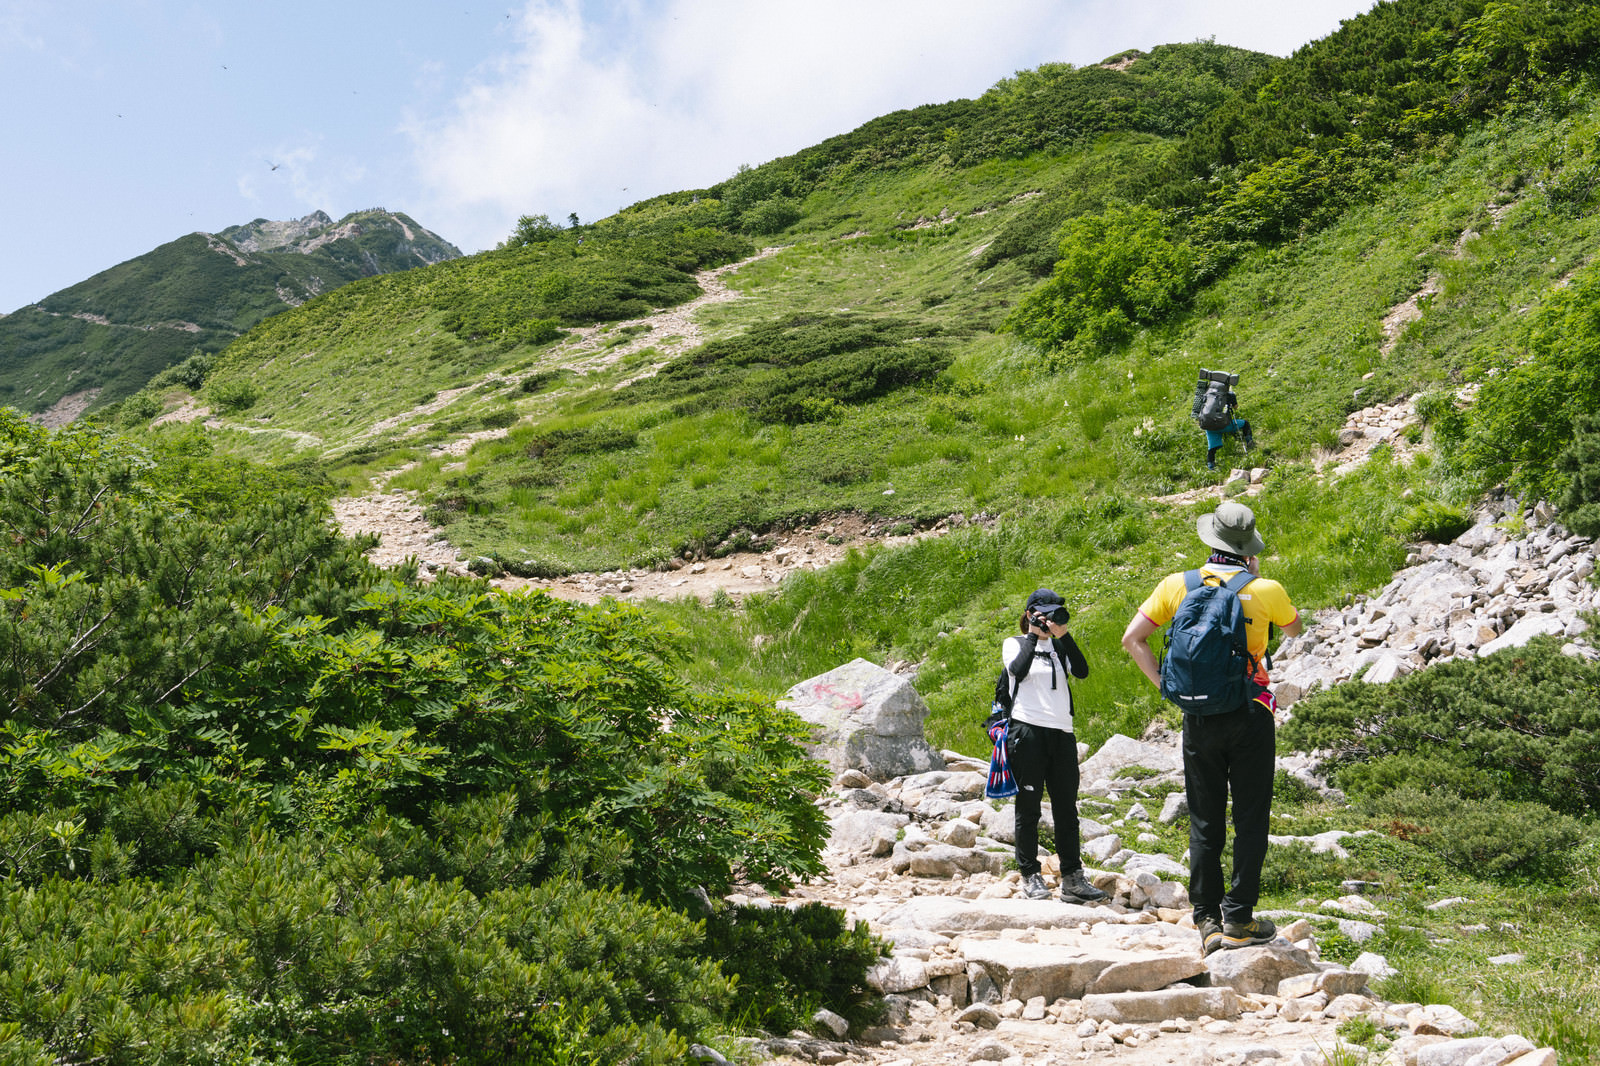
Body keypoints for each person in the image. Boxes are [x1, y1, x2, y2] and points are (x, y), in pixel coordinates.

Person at [1120, 502, 1302, 954]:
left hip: (1199, 717)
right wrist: (1255, 582)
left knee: (1205, 818)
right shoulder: (1266, 589)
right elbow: (1294, 630)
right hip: (1250, 713)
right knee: (1250, 817)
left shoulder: (1177, 585)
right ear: (1248, 547)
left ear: (1212, 539)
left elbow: (1132, 639)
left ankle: (1206, 919)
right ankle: (1239, 918)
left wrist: (1167, 688)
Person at [1003, 588, 1107, 904]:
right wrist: (1033, 636)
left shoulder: (1059, 648)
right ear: (1030, 614)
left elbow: (1082, 671)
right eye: (1044, 613)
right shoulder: (1014, 643)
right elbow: (1017, 670)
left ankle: (1073, 879)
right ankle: (1030, 874)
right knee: (1029, 807)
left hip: (1062, 733)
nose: (1050, 619)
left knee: (1066, 809)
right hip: (1027, 731)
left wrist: (1064, 636)